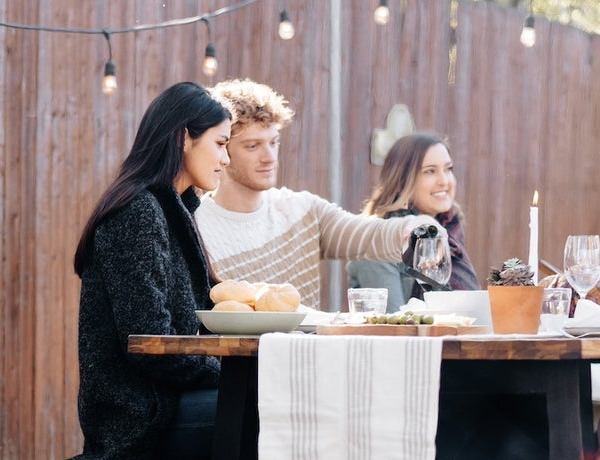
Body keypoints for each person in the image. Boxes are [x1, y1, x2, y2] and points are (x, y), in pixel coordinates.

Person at [65, 81, 296, 460]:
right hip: (136, 413)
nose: (224, 157)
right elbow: (150, 348)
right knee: (271, 413)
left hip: (168, 399)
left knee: (289, 411)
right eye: (220, 144)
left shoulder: (172, 209)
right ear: (182, 139)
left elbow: (191, 330)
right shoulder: (137, 213)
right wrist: (227, 364)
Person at [195, 79, 437, 308]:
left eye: (274, 142)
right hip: (237, 352)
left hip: (308, 351)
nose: (269, 157)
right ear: (222, 148)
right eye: (252, 146)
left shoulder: (303, 210)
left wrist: (417, 226)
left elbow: (367, 235)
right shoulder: (197, 226)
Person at [348, 132, 481, 310]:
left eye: (448, 169)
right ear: (402, 181)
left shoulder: (449, 231)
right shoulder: (376, 245)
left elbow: (469, 315)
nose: (444, 181)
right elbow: (393, 326)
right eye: (430, 171)